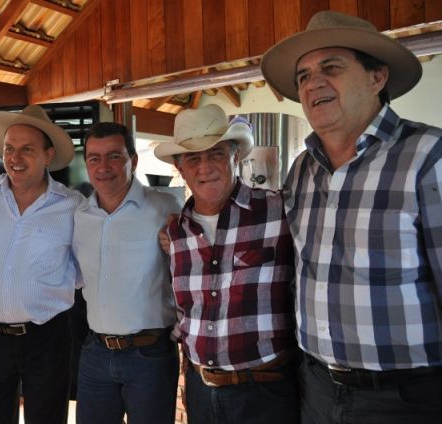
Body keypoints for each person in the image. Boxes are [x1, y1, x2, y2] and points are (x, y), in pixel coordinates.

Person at [261, 10, 442, 423]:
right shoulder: (302, 169)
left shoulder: (428, 156)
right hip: (316, 387)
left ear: (377, 77)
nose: (313, 84)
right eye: (303, 76)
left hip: (406, 399)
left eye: (331, 68)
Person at [154, 105, 298, 424]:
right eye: (193, 158)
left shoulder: (278, 211)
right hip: (200, 390)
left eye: (216, 154)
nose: (205, 167)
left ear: (235, 156)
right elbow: (185, 309)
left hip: (266, 390)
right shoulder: (176, 232)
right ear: (180, 168)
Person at [0, 105, 83, 424]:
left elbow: (84, 270)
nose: (15, 158)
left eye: (27, 149)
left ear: (48, 155)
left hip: (47, 336)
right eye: (9, 149)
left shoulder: (72, 206)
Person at [72, 122, 181, 424]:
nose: (103, 167)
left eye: (114, 156)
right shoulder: (79, 215)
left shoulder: (166, 207)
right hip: (95, 352)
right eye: (94, 158)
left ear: (133, 160)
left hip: (150, 356)